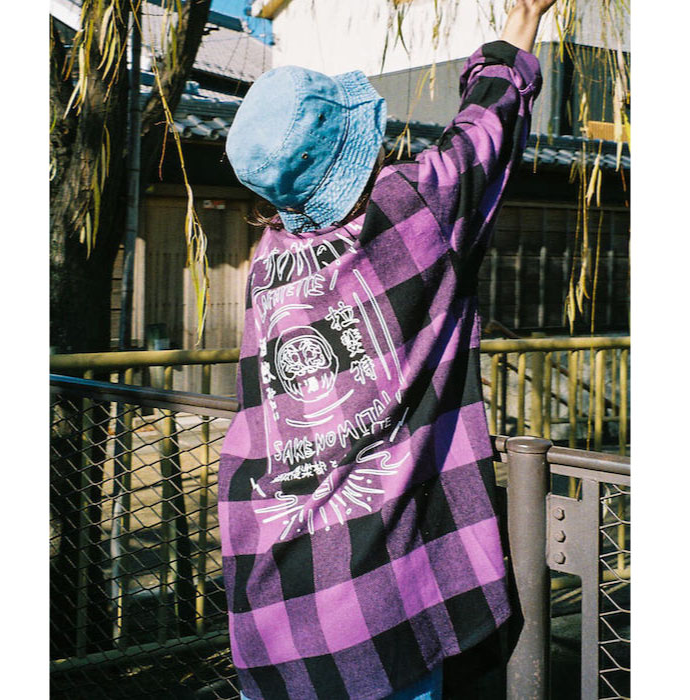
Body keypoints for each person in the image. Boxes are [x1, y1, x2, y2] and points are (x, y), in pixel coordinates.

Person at [218, 1, 556, 698]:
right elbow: (480, 137)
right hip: (376, 604)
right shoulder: (404, 209)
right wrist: (520, 27)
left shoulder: (268, 262)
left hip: (271, 601)